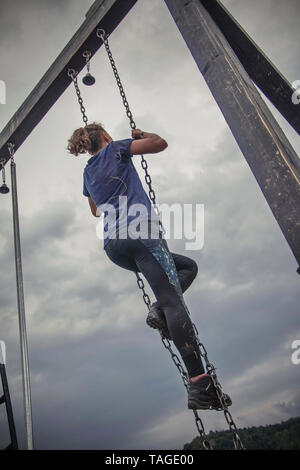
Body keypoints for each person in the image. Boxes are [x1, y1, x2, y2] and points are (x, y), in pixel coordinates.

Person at [67, 122, 231, 410]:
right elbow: (159, 143)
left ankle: (159, 309)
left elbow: (95, 210)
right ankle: (200, 384)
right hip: (141, 232)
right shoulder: (117, 147)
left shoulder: (87, 171)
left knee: (187, 268)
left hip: (114, 245)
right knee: (173, 301)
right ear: (105, 136)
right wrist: (141, 136)